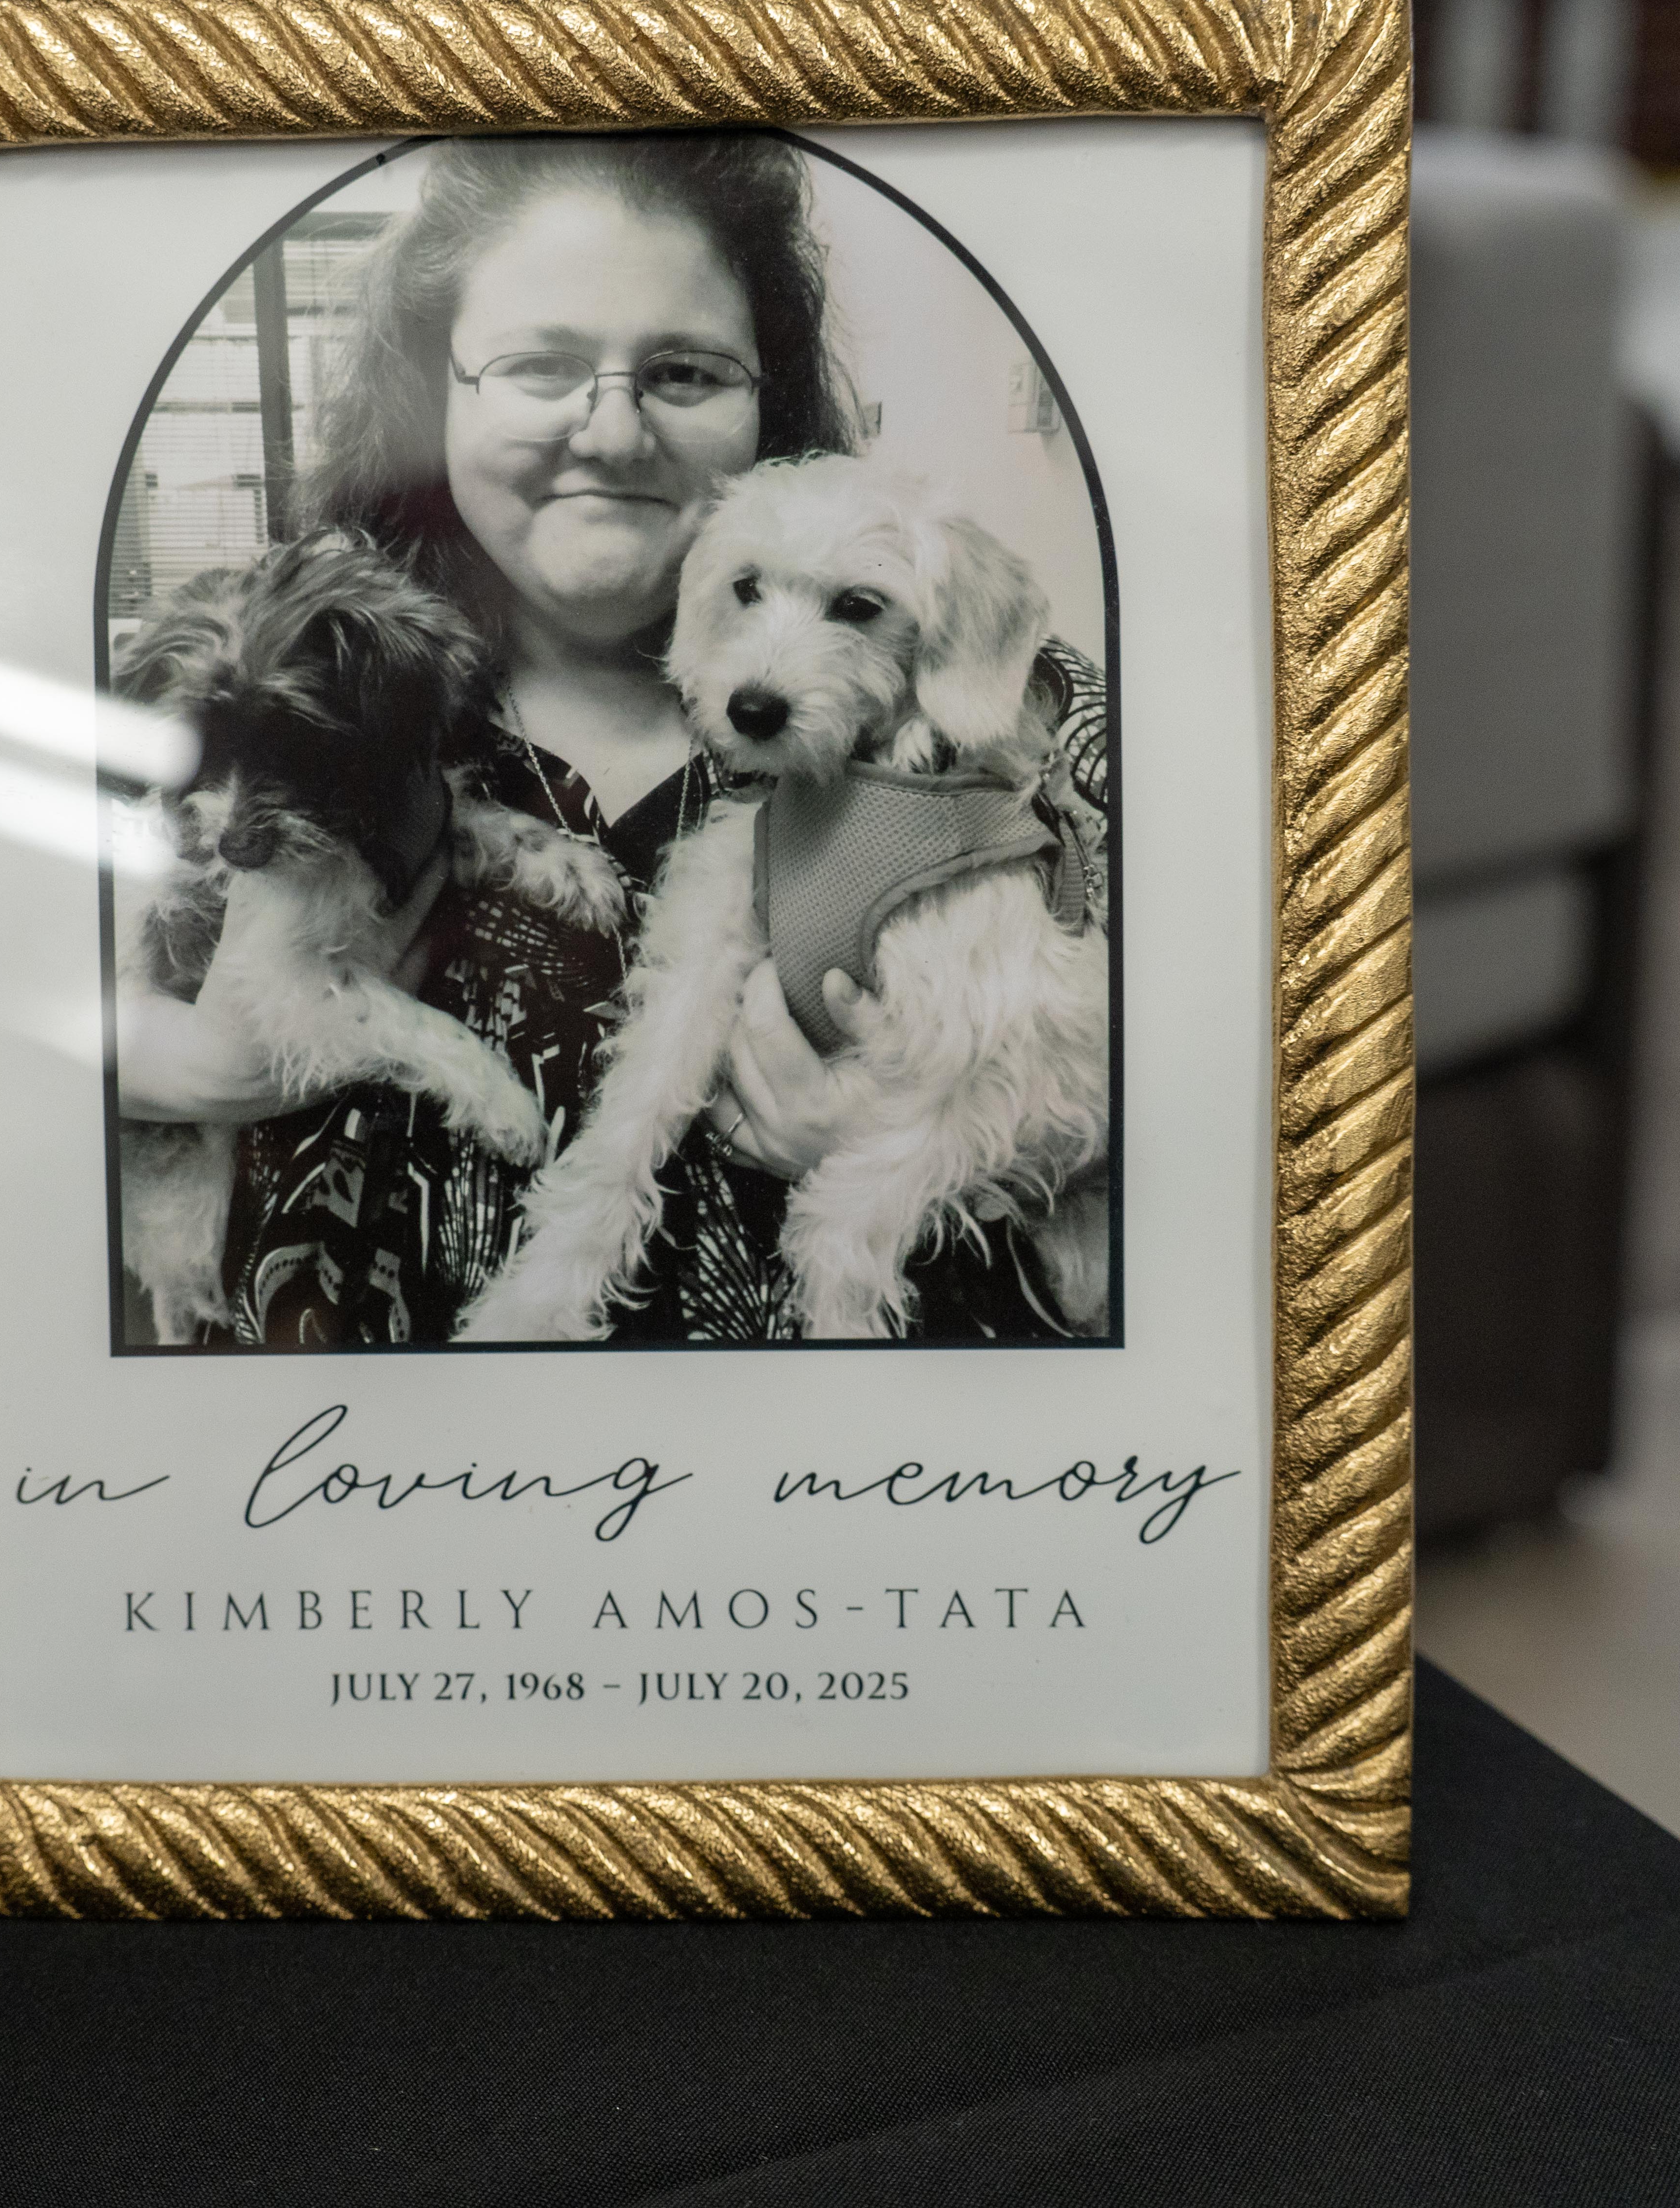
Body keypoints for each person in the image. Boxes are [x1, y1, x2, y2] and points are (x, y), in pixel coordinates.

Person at [114, 132, 1109, 1346]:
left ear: (768, 395)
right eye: (540, 364)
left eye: (686, 372)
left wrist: (962, 1140)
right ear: (431, 391)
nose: (614, 433)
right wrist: (146, 1058)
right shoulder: (268, 675)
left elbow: (1251, 1075)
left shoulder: (1029, 723)